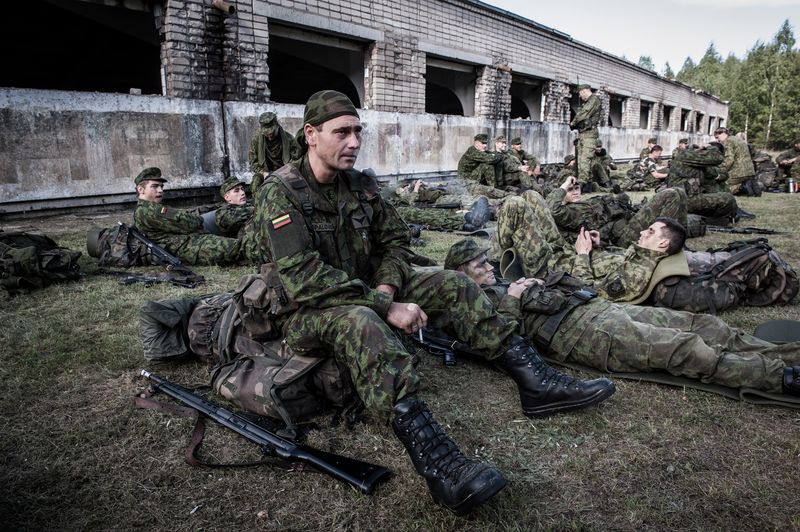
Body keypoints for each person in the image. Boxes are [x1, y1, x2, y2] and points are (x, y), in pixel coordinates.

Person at [238, 90, 615, 515]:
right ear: (310, 135)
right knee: (360, 320)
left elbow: (395, 243)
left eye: (358, 131)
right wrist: (383, 307)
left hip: (365, 292)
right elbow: (303, 279)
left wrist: (386, 290)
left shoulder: (360, 185)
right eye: (342, 132)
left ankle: (535, 382)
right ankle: (439, 465)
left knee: (452, 284)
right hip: (306, 313)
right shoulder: (281, 191)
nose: (355, 142)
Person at [445, 238, 800, 397]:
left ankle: (789, 354)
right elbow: (501, 341)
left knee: (705, 325)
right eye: (481, 265)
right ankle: (782, 378)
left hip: (598, 310)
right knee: (687, 348)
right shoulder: (470, 302)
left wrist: (534, 283)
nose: (490, 266)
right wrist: (513, 299)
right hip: (584, 334)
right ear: (461, 272)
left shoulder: (499, 283)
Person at [495, 189, 685, 303]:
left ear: (663, 243)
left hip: (551, 269)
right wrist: (599, 245)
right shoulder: (642, 254)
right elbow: (612, 260)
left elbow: (585, 291)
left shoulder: (637, 276)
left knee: (516, 205)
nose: (643, 232)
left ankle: (497, 265)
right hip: (565, 252)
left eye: (650, 232)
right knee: (531, 195)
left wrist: (583, 253)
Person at [132, 167, 244, 266]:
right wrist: (195, 218)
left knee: (236, 246)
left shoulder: (146, 209)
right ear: (141, 190)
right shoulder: (150, 210)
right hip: (186, 248)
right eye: (154, 186)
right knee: (237, 248)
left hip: (188, 242)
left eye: (161, 186)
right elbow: (189, 223)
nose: (160, 190)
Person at [548, 174, 688, 248]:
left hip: (629, 222)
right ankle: (670, 247)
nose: (575, 192)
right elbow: (552, 210)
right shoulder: (568, 212)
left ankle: (679, 245)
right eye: (570, 190)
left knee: (679, 191)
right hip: (623, 238)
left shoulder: (587, 202)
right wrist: (564, 185)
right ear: (562, 193)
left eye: (576, 188)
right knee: (669, 195)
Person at [666, 143, 738, 219]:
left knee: (718, 191)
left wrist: (719, 176)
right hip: (682, 201)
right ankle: (713, 220)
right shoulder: (687, 155)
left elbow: (716, 172)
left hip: (685, 198)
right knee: (728, 198)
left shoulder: (693, 160)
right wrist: (710, 147)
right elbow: (717, 158)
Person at [248, 111, 302, 194]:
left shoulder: (289, 139)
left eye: (272, 133)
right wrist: (263, 173)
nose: (269, 137)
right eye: (266, 134)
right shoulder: (256, 140)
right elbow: (253, 162)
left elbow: (296, 161)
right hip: (265, 172)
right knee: (256, 182)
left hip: (285, 171)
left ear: (277, 126)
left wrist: (284, 172)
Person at [569, 84, 602, 184]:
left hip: (589, 134)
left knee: (585, 159)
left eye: (580, 93)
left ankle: (583, 183)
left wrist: (573, 123)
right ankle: (585, 182)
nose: (580, 96)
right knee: (580, 160)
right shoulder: (587, 102)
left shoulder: (594, 100)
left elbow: (584, 113)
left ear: (584, 91)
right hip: (582, 134)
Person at [714, 127, 758, 196]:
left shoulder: (728, 141)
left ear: (722, 134)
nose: (718, 140)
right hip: (750, 171)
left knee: (722, 185)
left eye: (717, 137)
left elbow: (729, 159)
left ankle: (742, 188)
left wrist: (720, 170)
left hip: (739, 173)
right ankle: (750, 186)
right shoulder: (738, 139)